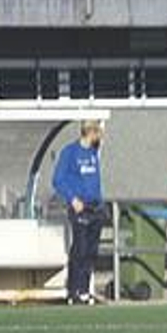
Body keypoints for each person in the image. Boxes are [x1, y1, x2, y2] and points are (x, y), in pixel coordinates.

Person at [51, 119, 105, 305]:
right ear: (90, 132)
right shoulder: (70, 152)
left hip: (95, 207)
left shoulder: (94, 152)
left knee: (91, 251)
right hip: (80, 208)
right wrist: (73, 198)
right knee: (80, 248)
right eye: (98, 131)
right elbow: (58, 180)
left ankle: (84, 289)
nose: (100, 136)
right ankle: (73, 290)